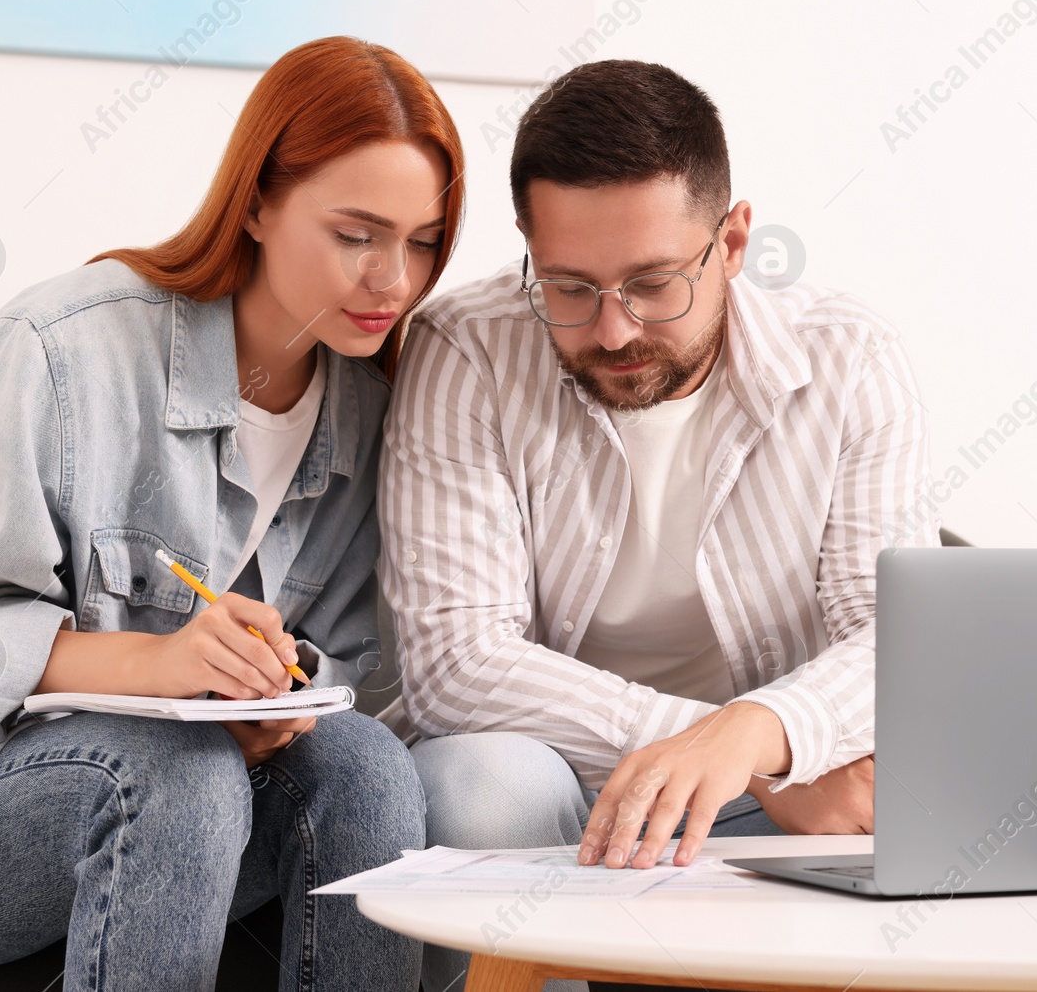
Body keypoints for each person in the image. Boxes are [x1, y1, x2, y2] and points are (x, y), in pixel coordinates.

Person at [0, 36, 464, 992]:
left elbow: (338, 665)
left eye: (424, 240)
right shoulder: (60, 349)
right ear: (256, 201)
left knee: (370, 770)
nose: (396, 277)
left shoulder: (371, 412)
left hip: (189, 794)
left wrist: (268, 697)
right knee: (179, 774)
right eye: (357, 234)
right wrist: (162, 667)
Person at [377, 59, 939, 990]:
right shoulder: (466, 349)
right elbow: (456, 662)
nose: (613, 330)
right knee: (483, 785)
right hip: (572, 785)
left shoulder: (849, 362)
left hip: (788, 795)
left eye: (652, 283)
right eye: (569, 286)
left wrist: (759, 740)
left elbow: (900, 641)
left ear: (734, 241)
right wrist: (740, 754)